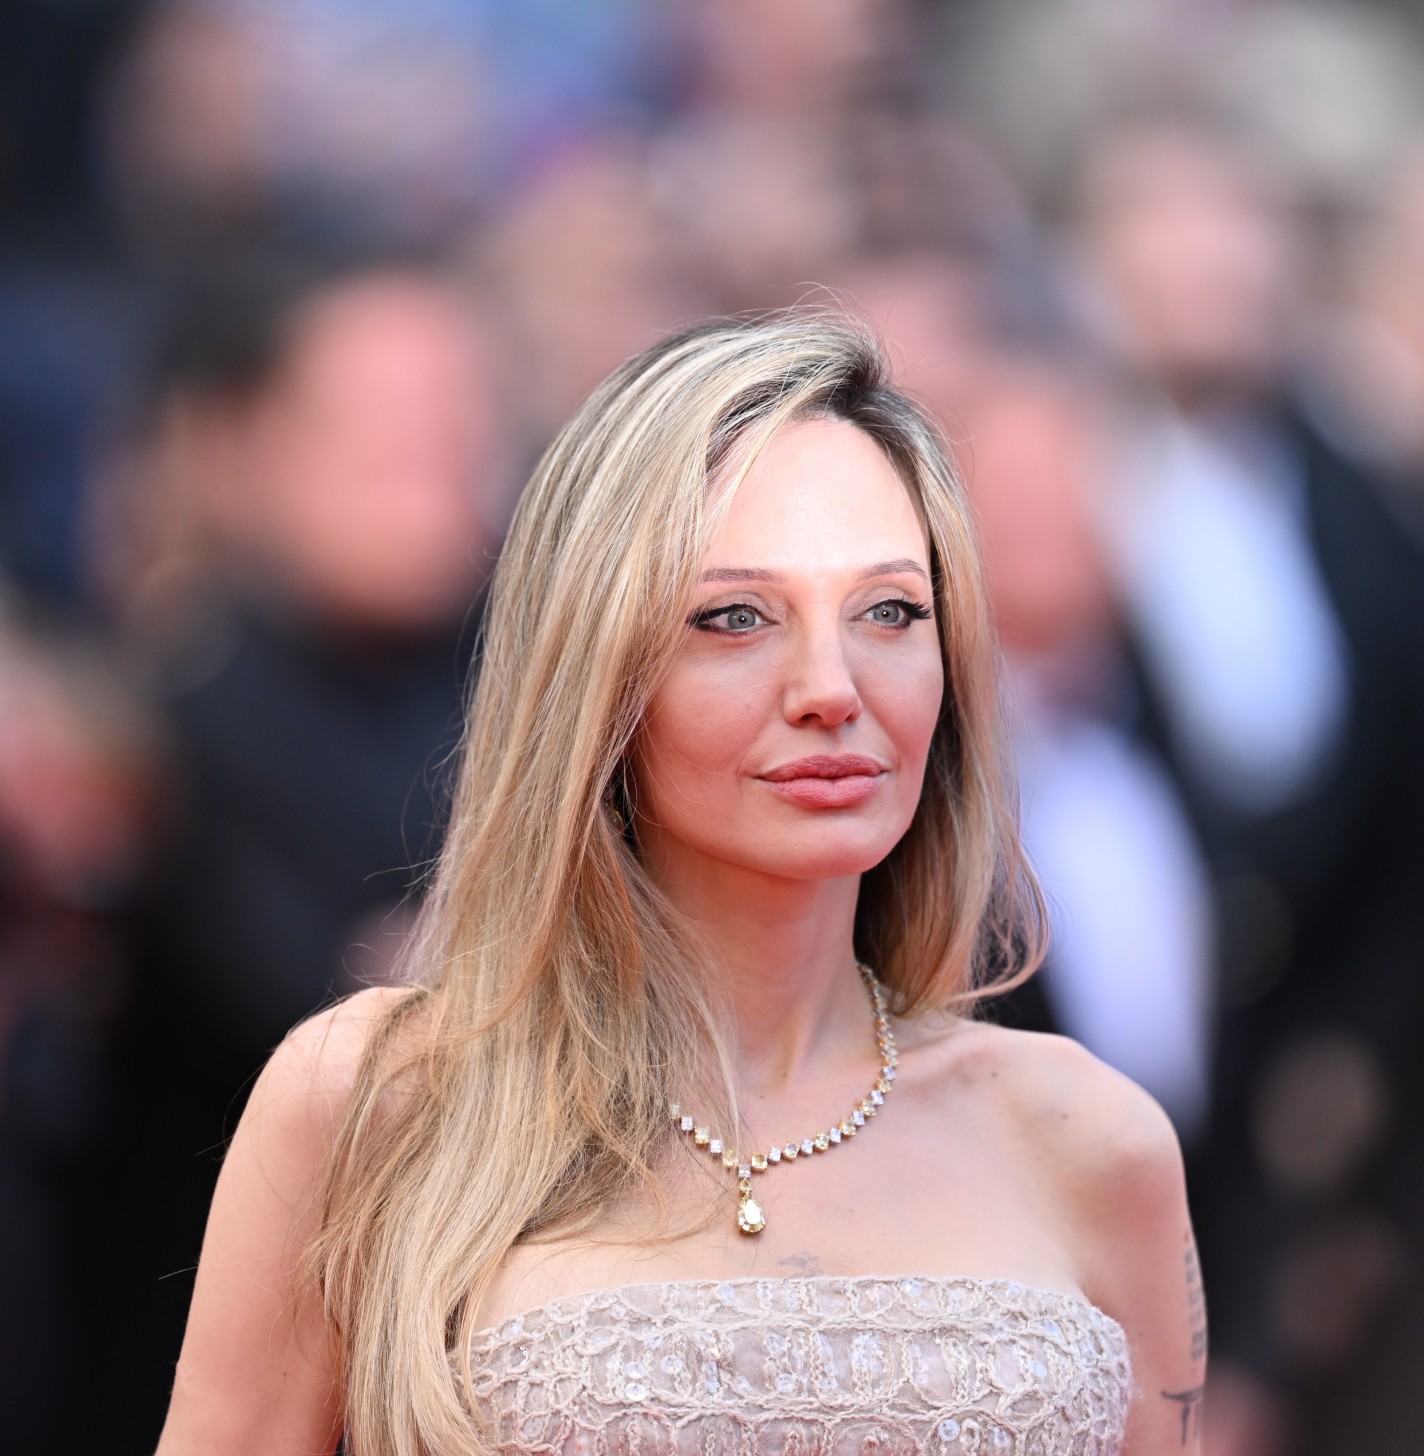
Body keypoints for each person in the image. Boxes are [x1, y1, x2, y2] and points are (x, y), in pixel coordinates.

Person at [155, 314, 1203, 1455]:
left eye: (889, 611)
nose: (830, 686)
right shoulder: (374, 1102)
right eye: (734, 616)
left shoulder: (1091, 1138)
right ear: (598, 673)